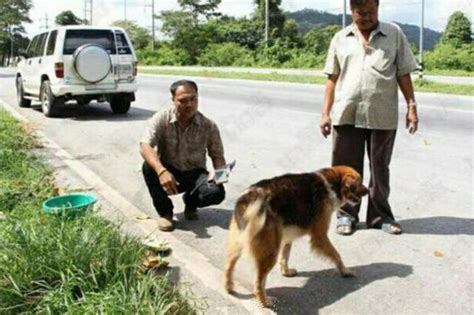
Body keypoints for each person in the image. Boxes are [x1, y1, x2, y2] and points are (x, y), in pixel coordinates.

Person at [320, 0, 419, 235]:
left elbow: (403, 73)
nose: (366, 17)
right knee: (344, 170)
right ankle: (346, 215)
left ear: (378, 9)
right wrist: (325, 113)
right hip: (346, 113)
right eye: (360, 13)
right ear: (351, 11)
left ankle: (380, 217)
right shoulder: (340, 38)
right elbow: (332, 78)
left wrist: (412, 106)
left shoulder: (394, 34)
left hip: (382, 114)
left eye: (370, 12)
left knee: (380, 168)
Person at [140, 80, 226, 231]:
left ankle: (191, 202)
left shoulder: (208, 126)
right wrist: (161, 171)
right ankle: (165, 213)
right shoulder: (162, 118)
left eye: (193, 99)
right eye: (183, 101)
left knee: (217, 193)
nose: (189, 104)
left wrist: (220, 176)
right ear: (173, 100)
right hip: (168, 172)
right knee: (148, 167)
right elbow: (145, 145)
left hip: (194, 174)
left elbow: (218, 156)